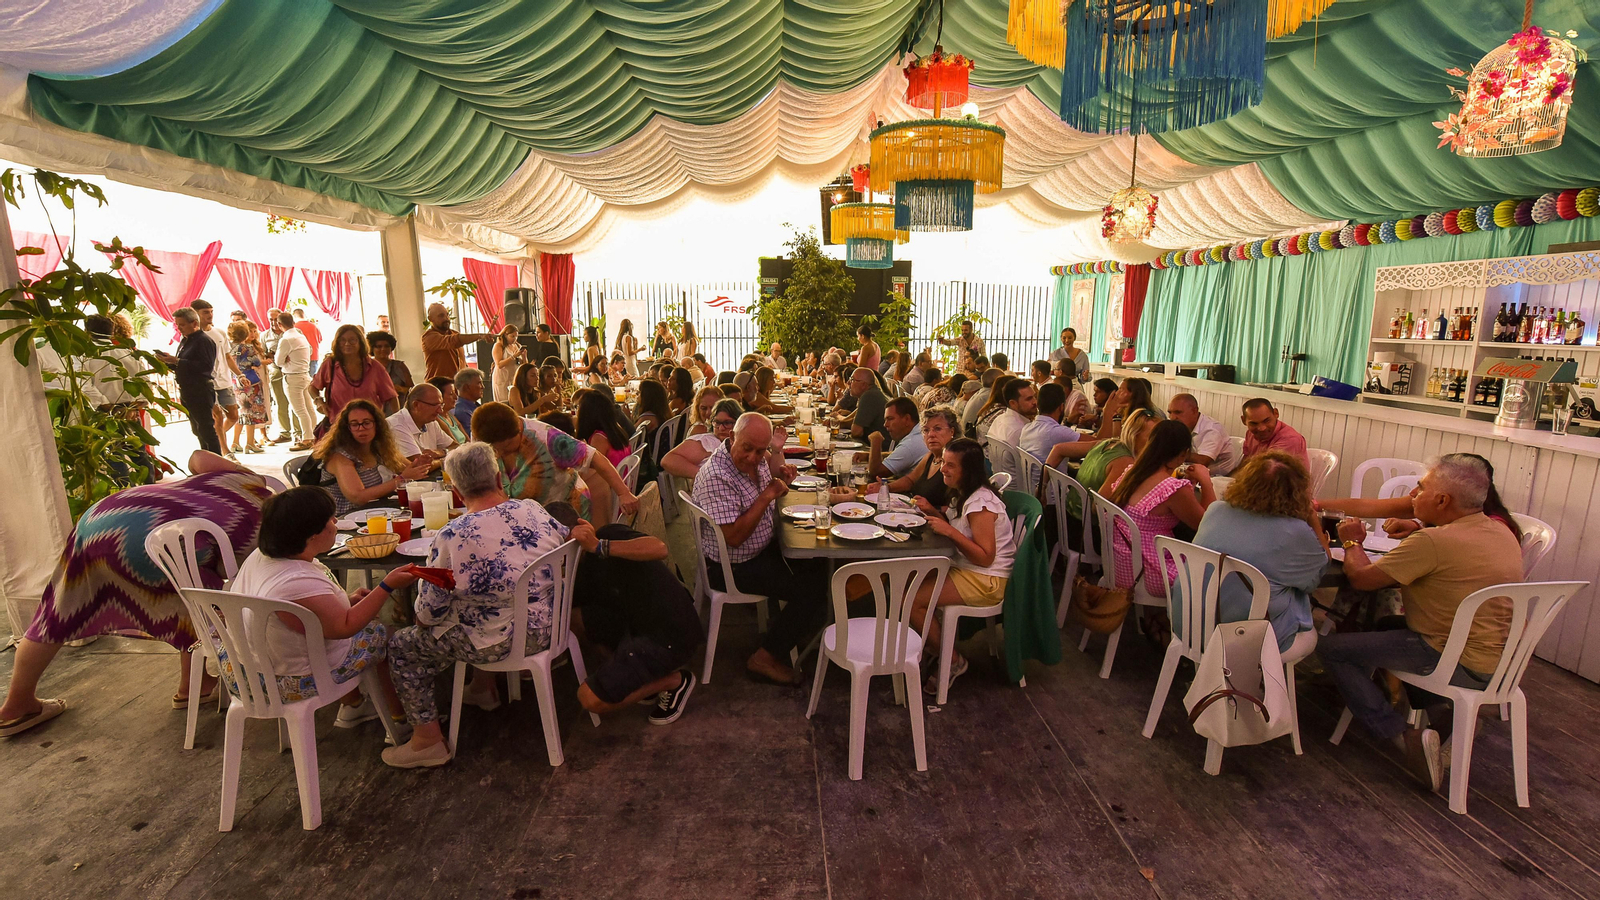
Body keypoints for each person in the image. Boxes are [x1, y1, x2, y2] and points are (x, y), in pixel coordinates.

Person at [0, 451, 273, 738]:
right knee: (201, 594)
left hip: (102, 517)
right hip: (149, 537)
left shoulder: (248, 480)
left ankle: (16, 704)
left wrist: (231, 472)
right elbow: (249, 594)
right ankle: (193, 686)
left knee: (58, 611)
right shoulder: (265, 541)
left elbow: (197, 458)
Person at [1322, 455, 1525, 791]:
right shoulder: (1500, 530)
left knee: (1331, 649)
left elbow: (1360, 578)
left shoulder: (1433, 542)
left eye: (1421, 488)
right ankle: (1447, 719)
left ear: (1443, 500)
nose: (1414, 494)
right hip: (1501, 659)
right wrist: (1419, 526)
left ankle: (1405, 737)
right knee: (1388, 625)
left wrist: (1351, 540)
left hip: (1452, 657)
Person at [382, 442, 571, 768]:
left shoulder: (454, 535)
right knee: (481, 609)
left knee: (402, 645)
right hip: (553, 626)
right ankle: (483, 689)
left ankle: (427, 741)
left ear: (455, 488)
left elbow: (426, 615)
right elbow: (565, 540)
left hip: (501, 643)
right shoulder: (533, 509)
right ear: (499, 477)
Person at [228, 487, 411, 730]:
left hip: (245, 664)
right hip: (286, 678)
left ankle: (354, 704)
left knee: (356, 626)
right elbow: (345, 627)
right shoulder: (296, 581)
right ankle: (400, 720)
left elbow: (311, 611)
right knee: (384, 635)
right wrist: (387, 586)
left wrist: (345, 599)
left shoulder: (263, 555)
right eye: (330, 519)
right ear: (311, 534)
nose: (335, 523)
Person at [536, 504, 704, 724]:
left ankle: (674, 681)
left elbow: (659, 548)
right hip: (632, 625)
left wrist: (598, 546)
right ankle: (640, 680)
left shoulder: (607, 536)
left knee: (589, 699)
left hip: (670, 634)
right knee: (575, 619)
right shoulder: (573, 571)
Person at [690, 413, 824, 686]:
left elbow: (766, 484)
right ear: (731, 438)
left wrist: (780, 478)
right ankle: (765, 656)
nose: (753, 457)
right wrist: (767, 496)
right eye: (747, 448)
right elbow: (735, 537)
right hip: (732, 567)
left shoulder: (755, 460)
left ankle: (795, 626)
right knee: (812, 590)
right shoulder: (718, 475)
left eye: (760, 451)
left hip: (758, 551)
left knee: (820, 563)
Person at [1192, 452, 1325, 656]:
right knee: (1307, 628)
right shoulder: (1296, 532)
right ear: (1297, 491)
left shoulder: (1215, 510)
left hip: (1191, 626)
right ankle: (1268, 682)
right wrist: (1312, 518)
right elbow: (1313, 580)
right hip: (1249, 642)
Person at [909, 438, 1015, 692]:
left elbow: (985, 556)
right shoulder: (965, 494)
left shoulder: (981, 504)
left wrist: (948, 530)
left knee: (911, 599)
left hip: (986, 579)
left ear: (967, 471)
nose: (943, 469)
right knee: (910, 580)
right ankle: (936, 645)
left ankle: (952, 660)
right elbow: (962, 529)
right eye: (943, 462)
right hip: (969, 569)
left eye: (950, 465)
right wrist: (934, 513)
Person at [1103, 420, 1217, 602]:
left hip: (1120, 565)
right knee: (1214, 576)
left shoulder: (1131, 472)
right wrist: (1206, 481)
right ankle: (1179, 624)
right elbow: (1207, 526)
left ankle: (1156, 620)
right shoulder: (1171, 488)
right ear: (1183, 454)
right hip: (1149, 573)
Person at [473, 401, 638, 524]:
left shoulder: (545, 437)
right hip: (523, 520)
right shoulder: (486, 438)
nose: (500, 454)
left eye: (507, 447)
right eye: (495, 449)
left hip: (565, 515)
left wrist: (623, 493)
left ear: (518, 430)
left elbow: (595, 458)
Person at [313, 399, 430, 515]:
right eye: (354, 424)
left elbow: (409, 470)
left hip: (377, 512)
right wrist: (401, 479)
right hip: (345, 520)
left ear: (377, 425)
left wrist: (420, 465)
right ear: (347, 428)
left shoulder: (379, 448)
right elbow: (358, 497)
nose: (361, 428)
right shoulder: (339, 457)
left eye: (366, 423)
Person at [157, 307, 222, 454]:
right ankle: (207, 457)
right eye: (177, 325)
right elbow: (184, 365)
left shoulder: (203, 340)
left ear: (194, 323)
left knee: (206, 429)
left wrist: (178, 361)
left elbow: (205, 366)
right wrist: (168, 362)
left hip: (200, 389)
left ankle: (216, 461)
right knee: (197, 429)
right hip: (187, 389)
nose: (179, 328)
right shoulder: (185, 341)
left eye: (182, 325)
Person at [663, 399, 775, 478]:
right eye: (717, 422)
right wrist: (704, 475)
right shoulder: (705, 442)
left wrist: (777, 451)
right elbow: (667, 460)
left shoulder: (747, 443)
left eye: (727, 423)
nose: (721, 428)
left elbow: (771, 465)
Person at [313, 324, 399, 424]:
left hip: (369, 428)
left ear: (360, 342)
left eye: (352, 340)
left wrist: (396, 423)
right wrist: (318, 400)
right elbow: (313, 387)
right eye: (342, 340)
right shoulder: (329, 364)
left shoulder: (374, 367)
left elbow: (391, 397)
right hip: (338, 428)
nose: (347, 344)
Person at [191, 300, 241, 455]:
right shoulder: (194, 336)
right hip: (207, 382)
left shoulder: (219, 333)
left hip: (224, 381)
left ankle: (217, 437)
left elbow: (227, 356)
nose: (210, 315)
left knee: (233, 415)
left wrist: (240, 375)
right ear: (196, 314)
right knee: (217, 417)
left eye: (211, 311)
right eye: (206, 312)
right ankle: (225, 451)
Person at [886, 406, 959, 507]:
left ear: (952, 431)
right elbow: (910, 480)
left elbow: (956, 509)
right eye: (926, 430)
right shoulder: (931, 456)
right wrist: (885, 488)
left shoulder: (958, 461)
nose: (931, 434)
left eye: (937, 429)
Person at [269, 311, 317, 450]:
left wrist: (285, 361)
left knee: (300, 410)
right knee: (309, 409)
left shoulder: (286, 339)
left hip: (293, 376)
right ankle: (313, 436)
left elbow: (278, 361)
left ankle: (307, 439)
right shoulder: (300, 335)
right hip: (305, 374)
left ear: (279, 324)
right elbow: (310, 351)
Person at [1167, 393, 1241, 475]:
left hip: (1219, 478)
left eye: (1178, 412)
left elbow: (1203, 461)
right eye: (1170, 412)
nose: (1172, 417)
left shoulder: (1212, 430)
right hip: (1190, 474)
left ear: (1194, 411)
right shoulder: (1179, 426)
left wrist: (1172, 453)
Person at [226, 320, 270, 453]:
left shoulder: (229, 349)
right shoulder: (248, 349)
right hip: (250, 382)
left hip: (235, 382)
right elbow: (256, 362)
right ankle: (250, 443)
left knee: (242, 411)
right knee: (252, 412)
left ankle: (235, 442)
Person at [421, 302, 492, 381]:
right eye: (441, 316)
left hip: (456, 387)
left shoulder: (454, 333)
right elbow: (453, 341)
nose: (446, 318)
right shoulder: (428, 337)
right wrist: (480, 336)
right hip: (437, 388)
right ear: (430, 319)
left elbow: (462, 362)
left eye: (447, 315)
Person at [388, 384, 456, 464]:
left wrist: (443, 452)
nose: (440, 411)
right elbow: (419, 466)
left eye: (441, 405)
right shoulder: (396, 426)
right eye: (435, 405)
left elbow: (456, 447)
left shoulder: (430, 421)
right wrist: (444, 459)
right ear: (416, 405)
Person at [1240, 397, 1309, 470]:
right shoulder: (1250, 434)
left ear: (1276, 413)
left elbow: (1265, 472)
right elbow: (1244, 466)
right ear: (1244, 420)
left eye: (1266, 421)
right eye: (1254, 424)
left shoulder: (1290, 439)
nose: (1261, 428)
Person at [1021, 382, 1081, 464]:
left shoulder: (1026, 428)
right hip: (1053, 477)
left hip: (1031, 477)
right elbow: (1099, 445)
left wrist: (1068, 422)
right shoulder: (1057, 432)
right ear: (1061, 407)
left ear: (1038, 405)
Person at [867, 396, 926, 479]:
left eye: (890, 419)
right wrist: (867, 455)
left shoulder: (911, 443)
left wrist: (875, 442)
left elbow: (875, 473)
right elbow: (902, 454)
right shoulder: (919, 432)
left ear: (906, 419)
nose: (885, 424)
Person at [578, 390, 631, 467]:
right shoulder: (616, 429)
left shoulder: (599, 438)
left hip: (612, 478)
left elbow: (591, 471)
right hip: (622, 476)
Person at [264, 310, 293, 444]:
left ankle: (299, 433)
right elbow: (261, 354)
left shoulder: (293, 333)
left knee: (295, 404)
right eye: (271, 319)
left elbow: (307, 350)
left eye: (276, 319)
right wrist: (270, 356)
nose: (274, 322)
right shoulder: (264, 336)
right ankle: (284, 433)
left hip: (292, 372)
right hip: (275, 373)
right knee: (281, 404)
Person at [368, 330, 414, 407]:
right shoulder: (367, 366)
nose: (383, 349)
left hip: (398, 408)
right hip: (374, 408)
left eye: (386, 346)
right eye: (379, 346)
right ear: (371, 348)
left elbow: (412, 390)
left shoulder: (400, 366)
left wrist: (400, 389)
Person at [987, 378, 1037, 448]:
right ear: (1013, 403)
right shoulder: (1021, 431)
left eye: (1035, 397)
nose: (1035, 402)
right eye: (1029, 399)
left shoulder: (999, 419)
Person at [843, 365, 887, 440]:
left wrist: (836, 424)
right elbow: (856, 421)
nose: (848, 382)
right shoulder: (873, 393)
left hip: (879, 448)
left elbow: (856, 432)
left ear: (863, 385)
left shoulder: (869, 396)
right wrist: (837, 424)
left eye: (852, 379)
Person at [428, 376, 470, 445]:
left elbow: (467, 440)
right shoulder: (436, 419)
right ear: (439, 397)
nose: (456, 397)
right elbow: (454, 445)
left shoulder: (450, 415)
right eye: (451, 394)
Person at [490, 325, 525, 402]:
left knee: (515, 401)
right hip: (502, 377)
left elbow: (523, 363)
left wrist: (523, 356)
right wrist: (513, 356)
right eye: (512, 336)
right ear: (505, 335)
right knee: (504, 401)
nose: (514, 339)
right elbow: (499, 364)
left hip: (513, 376)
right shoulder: (499, 346)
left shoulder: (517, 345)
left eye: (516, 336)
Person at [1051, 359, 1091, 425]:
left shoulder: (1075, 391)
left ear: (1060, 372)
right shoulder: (1068, 387)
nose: (1053, 372)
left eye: (1055, 369)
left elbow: (1073, 419)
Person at [452, 367, 486, 434]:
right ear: (466, 387)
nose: (483, 387)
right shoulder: (462, 411)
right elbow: (474, 437)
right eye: (479, 383)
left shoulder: (474, 406)